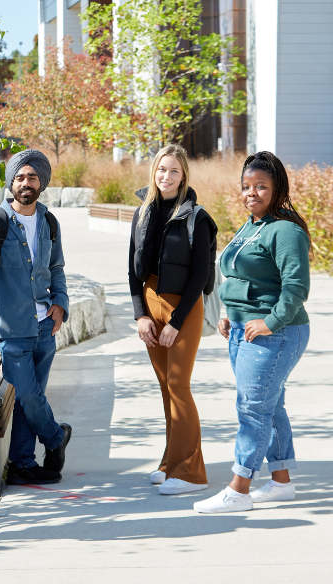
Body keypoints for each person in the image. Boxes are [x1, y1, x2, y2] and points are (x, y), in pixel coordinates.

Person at [194, 151, 311, 514]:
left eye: (261, 186)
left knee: (253, 409)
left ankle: (238, 489)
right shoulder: (252, 225)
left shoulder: (286, 230)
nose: (251, 193)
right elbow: (240, 278)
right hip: (243, 329)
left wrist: (269, 322)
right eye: (246, 186)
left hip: (275, 332)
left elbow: (295, 288)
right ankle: (280, 483)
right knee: (270, 406)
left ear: (277, 189)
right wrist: (231, 313)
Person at [0, 149, 71, 485]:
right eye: (20, 177)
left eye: (32, 177)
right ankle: (56, 437)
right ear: (11, 182)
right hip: (11, 327)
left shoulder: (49, 222)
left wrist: (61, 302)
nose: (26, 183)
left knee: (30, 399)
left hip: (45, 326)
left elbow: (56, 268)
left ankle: (23, 463)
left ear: (42, 183)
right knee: (26, 393)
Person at [129, 144, 217, 495]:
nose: (166, 176)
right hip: (151, 305)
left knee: (179, 387)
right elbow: (133, 271)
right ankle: (170, 462)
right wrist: (140, 316)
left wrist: (177, 322)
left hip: (184, 307)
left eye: (174, 171)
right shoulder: (143, 212)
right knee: (166, 389)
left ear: (184, 177)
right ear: (154, 171)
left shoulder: (198, 218)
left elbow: (199, 278)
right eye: (161, 169)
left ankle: (192, 473)